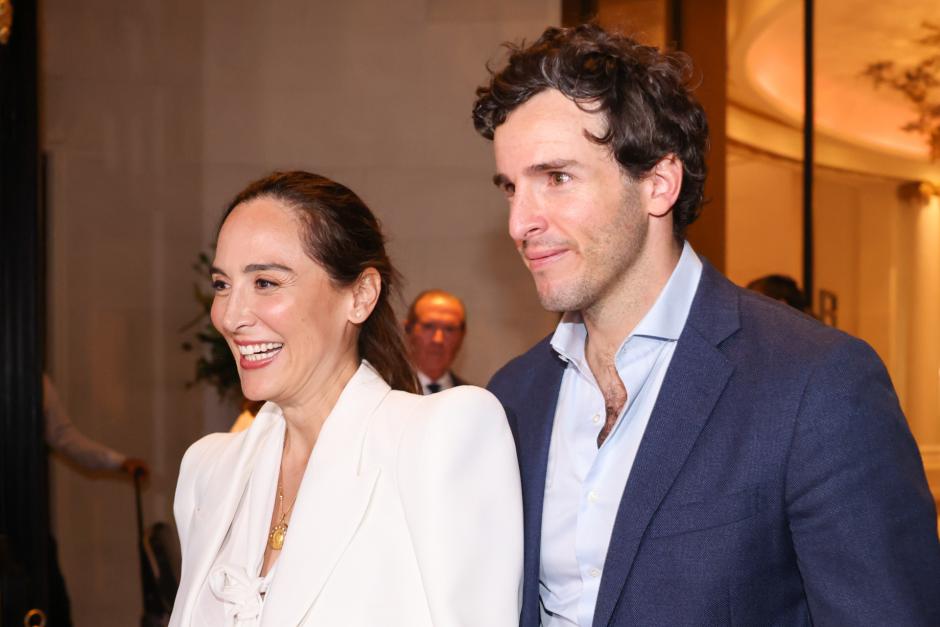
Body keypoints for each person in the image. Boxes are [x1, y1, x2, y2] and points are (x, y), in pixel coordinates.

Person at [473, 23, 940, 626]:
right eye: (511, 188)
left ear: (658, 184)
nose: (519, 222)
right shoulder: (513, 396)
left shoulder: (816, 385)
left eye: (556, 179)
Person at [169, 171, 522, 626]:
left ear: (360, 295)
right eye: (222, 285)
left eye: (266, 283)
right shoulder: (209, 470)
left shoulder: (437, 439)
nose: (231, 316)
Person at [43, 374, 150, 626]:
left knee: (50, 599)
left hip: (24, 515)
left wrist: (118, 462)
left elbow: (63, 436)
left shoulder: (33, 378)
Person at [405, 289, 469, 394]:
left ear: (462, 335)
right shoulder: (384, 392)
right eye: (428, 326)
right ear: (408, 329)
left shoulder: (471, 399)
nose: (438, 339)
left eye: (449, 329)